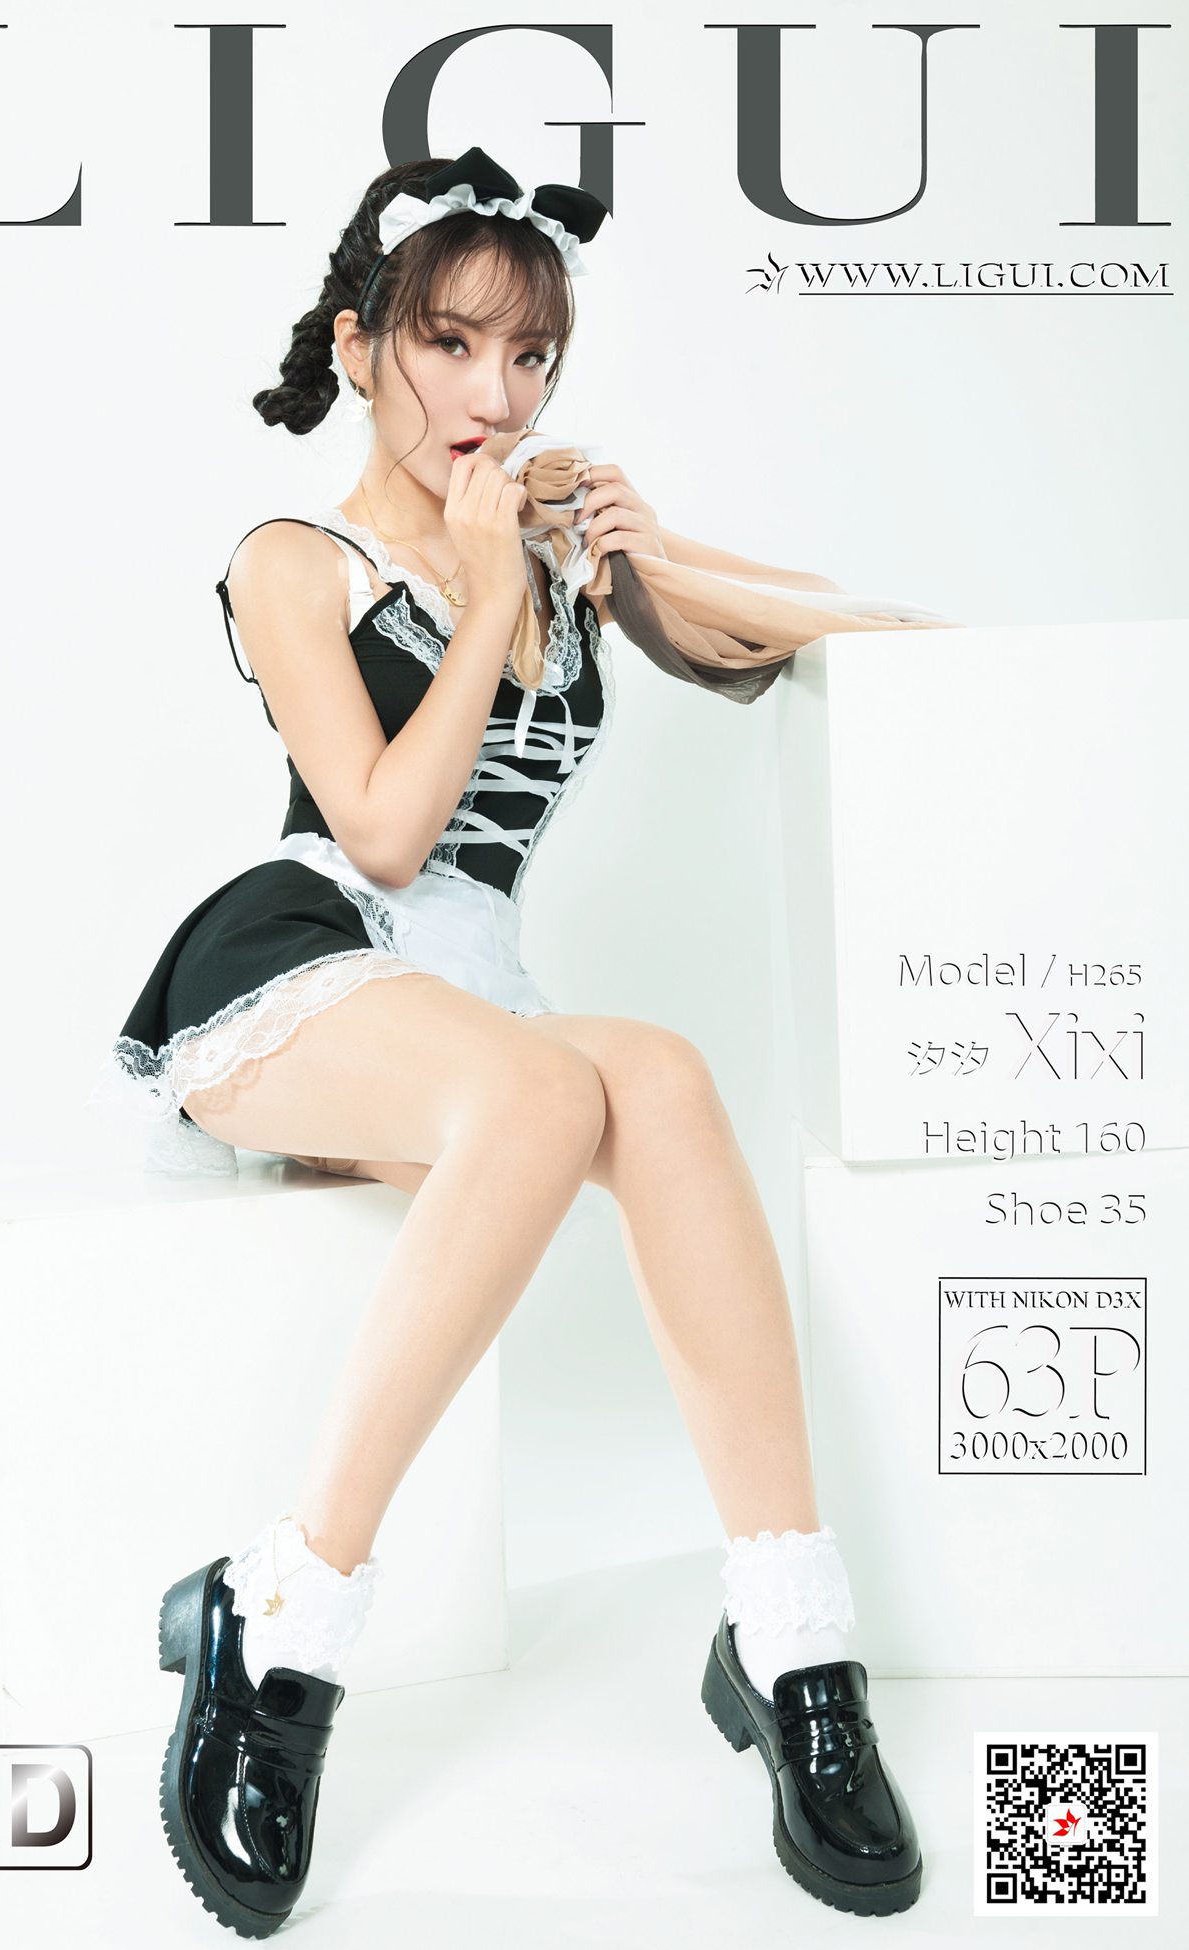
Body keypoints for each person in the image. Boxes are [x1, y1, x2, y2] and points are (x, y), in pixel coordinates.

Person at [105, 147, 936, 1935]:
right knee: (552, 1082)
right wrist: (489, 593)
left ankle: (792, 1633)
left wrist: (647, 545)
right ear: (360, 347)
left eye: (532, 355)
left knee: (667, 1077)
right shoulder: (293, 559)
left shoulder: (552, 547)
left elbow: (860, 633)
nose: (497, 394)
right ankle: (287, 1610)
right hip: (297, 969)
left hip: (471, 1012)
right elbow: (386, 832)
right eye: (452, 344)